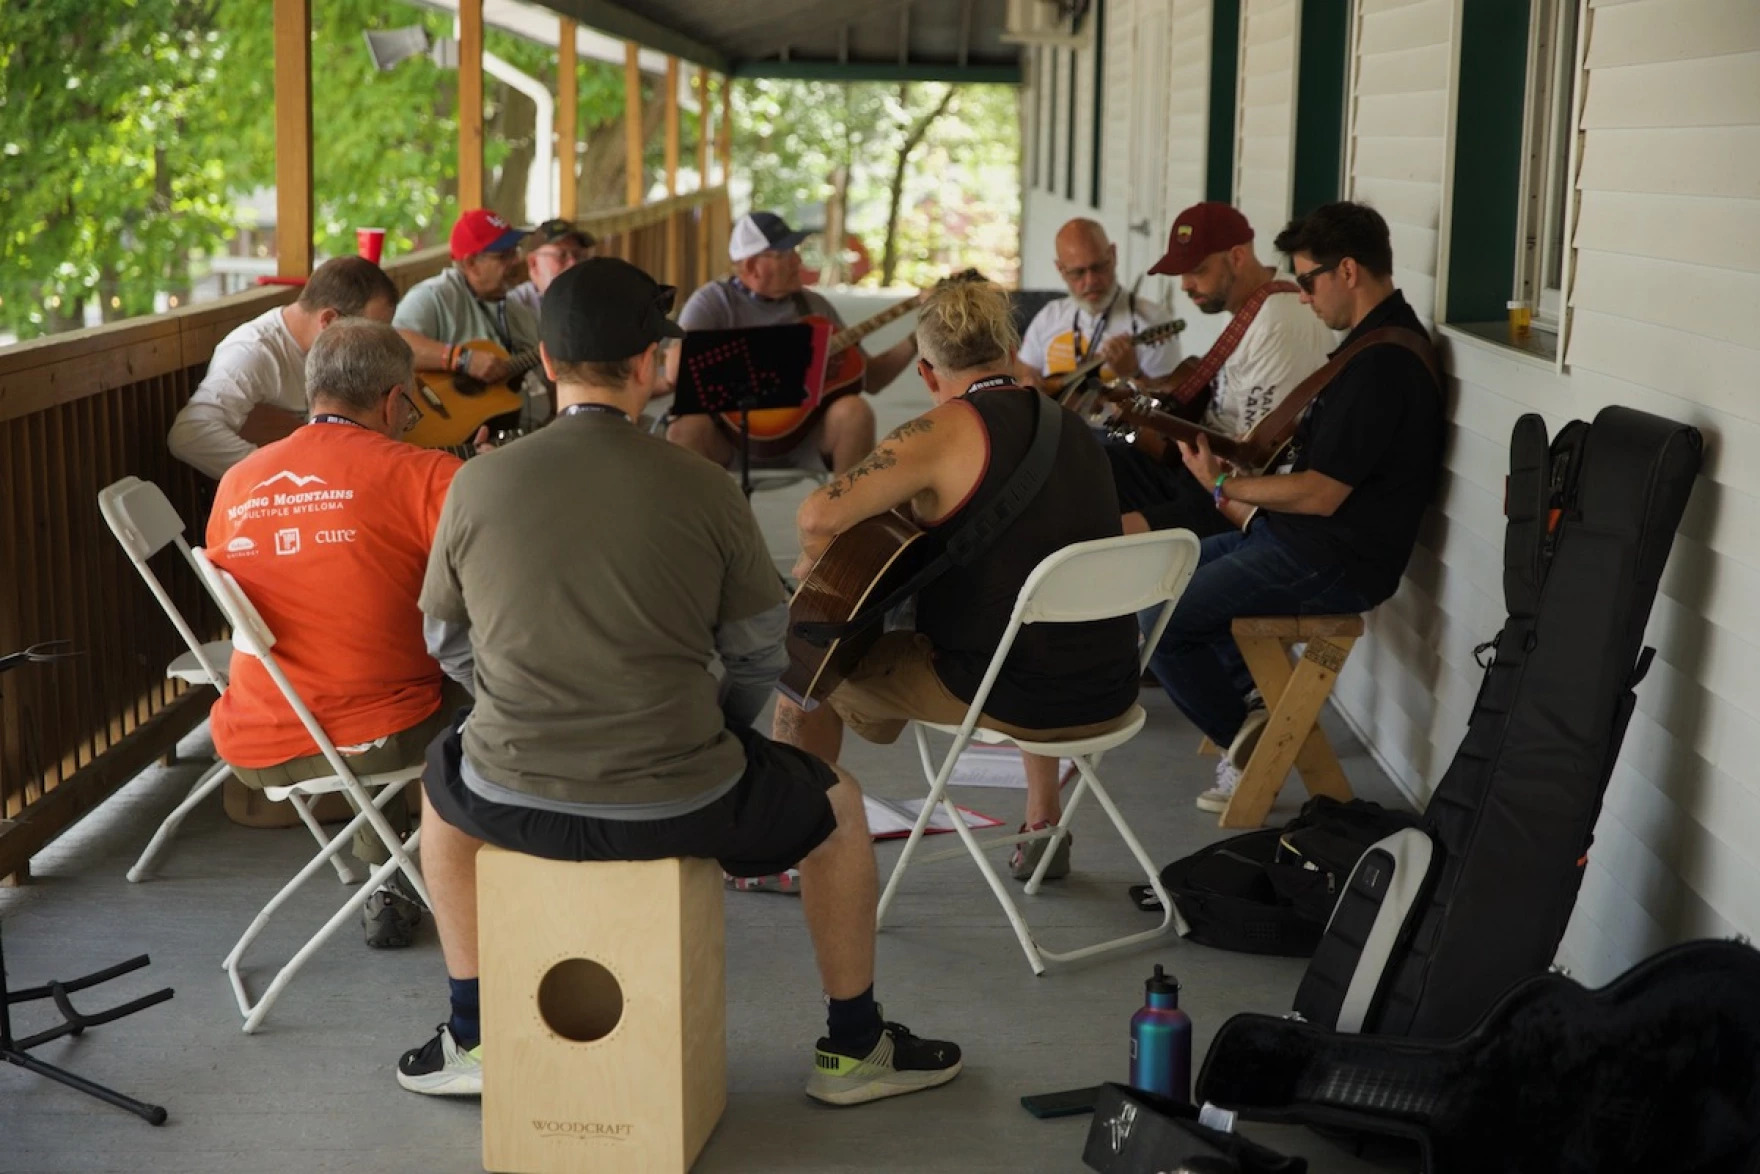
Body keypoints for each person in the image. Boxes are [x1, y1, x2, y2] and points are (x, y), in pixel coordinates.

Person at [396, 257, 962, 1107]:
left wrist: (522, 699)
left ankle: (474, 1035)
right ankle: (854, 1046)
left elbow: (445, 639)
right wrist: (724, 731)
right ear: (652, 366)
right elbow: (761, 657)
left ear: (546, 363)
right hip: (684, 798)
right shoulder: (703, 486)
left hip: (514, 790)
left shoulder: (476, 482)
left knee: (440, 793)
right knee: (839, 807)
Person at [770, 278, 1141, 883]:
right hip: (1108, 688)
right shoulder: (1072, 426)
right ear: (1008, 352)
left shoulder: (940, 431)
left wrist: (822, 574)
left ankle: (782, 844)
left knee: (807, 645)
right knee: (1027, 604)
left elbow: (816, 517)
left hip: (1003, 694)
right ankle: (1042, 821)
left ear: (926, 373)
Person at [1147, 201, 1443, 812]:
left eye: (1308, 280)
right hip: (1300, 541)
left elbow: (1321, 491)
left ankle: (1251, 745)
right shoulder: (1369, 346)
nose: (1303, 297)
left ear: (1349, 271)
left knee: (1164, 625)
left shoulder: (1383, 365)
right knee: (1158, 577)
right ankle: (1254, 716)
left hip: (1335, 559)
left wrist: (1224, 488)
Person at [205, 319, 467, 947]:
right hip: (375, 735)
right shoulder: (427, 474)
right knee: (491, 701)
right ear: (394, 400)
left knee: (357, 679)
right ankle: (469, 878)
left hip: (256, 740)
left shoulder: (238, 482)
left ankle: (390, 872)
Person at [1107, 202, 1335, 540]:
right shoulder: (1252, 308)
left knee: (1116, 531)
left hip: (1231, 494)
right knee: (1090, 463)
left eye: (1197, 271)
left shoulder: (1280, 323)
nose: (1185, 285)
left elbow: (1255, 459)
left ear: (1237, 257)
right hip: (1196, 470)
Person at [667, 211, 918, 474]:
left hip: (805, 437)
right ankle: (701, 515)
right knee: (684, 429)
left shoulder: (814, 306)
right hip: (729, 439)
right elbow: (676, 371)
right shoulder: (712, 302)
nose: (798, 260)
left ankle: (849, 512)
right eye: (785, 253)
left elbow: (873, 379)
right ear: (752, 266)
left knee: (855, 411)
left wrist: (916, 340)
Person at [168, 257, 400, 479]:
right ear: (329, 320)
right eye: (369, 332)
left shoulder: (332, 349)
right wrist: (284, 473)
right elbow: (190, 434)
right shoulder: (252, 352)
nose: (375, 346)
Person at [393, 208, 549, 428]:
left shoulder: (519, 312)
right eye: (504, 256)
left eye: (515, 251)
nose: (516, 261)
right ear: (471, 264)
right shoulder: (434, 296)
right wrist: (462, 359)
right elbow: (394, 347)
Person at [1014, 218, 1182, 391]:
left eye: (1099, 267)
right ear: (1061, 269)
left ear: (1113, 255)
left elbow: (1168, 403)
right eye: (1078, 273)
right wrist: (1029, 381)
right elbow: (1023, 372)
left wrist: (1134, 373)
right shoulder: (1050, 315)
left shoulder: (1153, 320)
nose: (1091, 281)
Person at [505, 217, 596, 322]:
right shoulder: (513, 307)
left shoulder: (590, 300)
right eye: (562, 255)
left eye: (578, 255)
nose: (573, 263)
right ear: (533, 263)